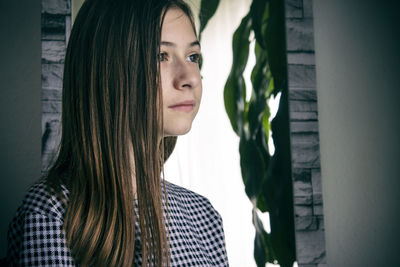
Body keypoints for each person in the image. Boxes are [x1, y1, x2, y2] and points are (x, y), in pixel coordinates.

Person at [6, 0, 229, 266]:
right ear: (107, 69)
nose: (190, 78)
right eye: (160, 56)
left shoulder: (204, 217)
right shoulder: (50, 215)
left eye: (193, 57)